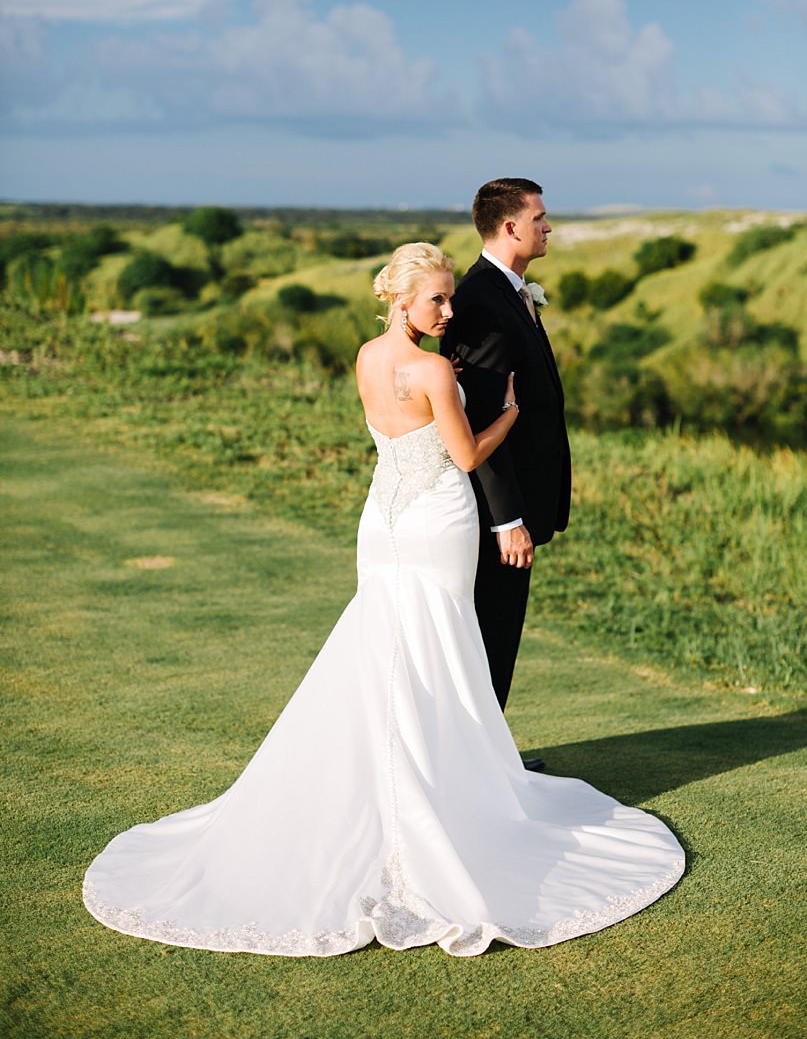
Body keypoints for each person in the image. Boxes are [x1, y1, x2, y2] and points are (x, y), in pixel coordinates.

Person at [83, 243, 684, 956]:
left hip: (383, 521)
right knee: (440, 649)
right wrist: (511, 411)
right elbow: (465, 455)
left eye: (451, 298)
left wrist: (445, 385)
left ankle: (390, 784)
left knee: (390, 648)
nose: (449, 311)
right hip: (438, 521)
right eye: (437, 300)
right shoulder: (431, 367)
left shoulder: (370, 357)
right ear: (401, 300)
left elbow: (401, 424)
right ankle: (441, 793)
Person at [437, 180, 569, 745]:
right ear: (510, 227)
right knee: (491, 631)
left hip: (519, 500)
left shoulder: (511, 290)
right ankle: (481, 766)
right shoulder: (481, 302)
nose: (547, 227)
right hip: (499, 511)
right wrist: (506, 520)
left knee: (501, 633)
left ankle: (489, 760)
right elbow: (481, 418)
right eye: (539, 218)